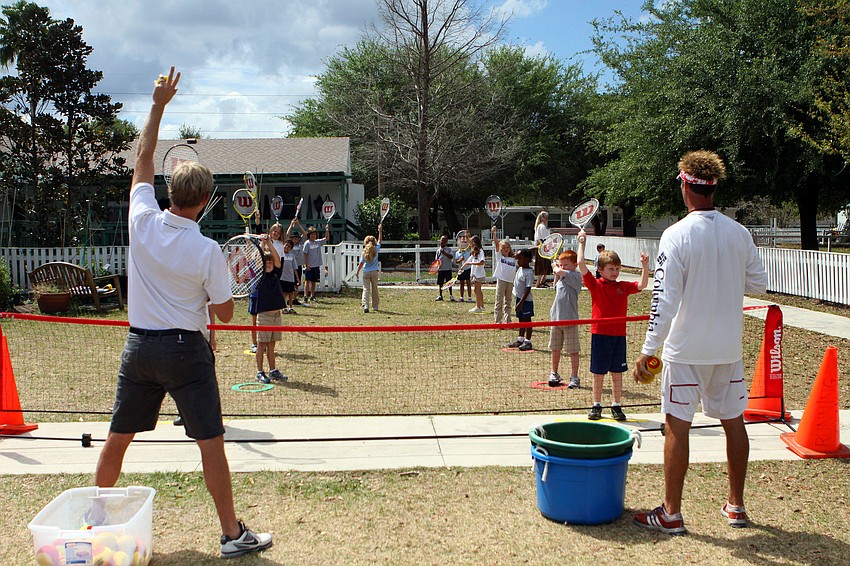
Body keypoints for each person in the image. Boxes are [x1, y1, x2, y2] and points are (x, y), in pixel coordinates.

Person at [93, 68, 272, 558]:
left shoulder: (141, 218)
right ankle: (232, 535)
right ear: (207, 200)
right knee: (210, 443)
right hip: (185, 350)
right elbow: (227, 315)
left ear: (169, 191)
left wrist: (157, 105)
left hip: (139, 347)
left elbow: (143, 156)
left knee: (118, 438)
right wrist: (225, 293)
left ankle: (93, 520)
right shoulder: (207, 250)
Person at [632, 150, 767, 536]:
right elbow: (758, 283)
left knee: (677, 426)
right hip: (727, 348)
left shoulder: (676, 235)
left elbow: (664, 299)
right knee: (733, 422)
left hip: (686, 350)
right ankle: (736, 505)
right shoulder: (738, 232)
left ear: (686, 187)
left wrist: (648, 349)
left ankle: (672, 513)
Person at [577, 230, 649, 421]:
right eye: (611, 269)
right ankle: (596, 405)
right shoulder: (595, 284)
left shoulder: (623, 286)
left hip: (619, 335)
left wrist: (645, 265)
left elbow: (642, 285)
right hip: (600, 335)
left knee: (617, 373)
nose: (615, 272)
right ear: (600, 270)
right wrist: (582, 243)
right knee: (598, 373)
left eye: (617, 269)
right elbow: (580, 264)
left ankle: (616, 405)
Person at [253, 235, 287, 384]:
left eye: (270, 261)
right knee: (262, 345)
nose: (269, 263)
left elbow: (277, 259)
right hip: (264, 315)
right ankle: (260, 372)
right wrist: (262, 243)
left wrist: (269, 244)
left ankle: (273, 371)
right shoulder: (260, 275)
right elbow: (256, 259)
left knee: (272, 345)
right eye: (266, 262)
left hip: (276, 314)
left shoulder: (275, 273)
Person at [548, 250, 583, 388]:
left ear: (575, 265)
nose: (563, 267)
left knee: (573, 350)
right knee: (555, 348)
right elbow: (558, 279)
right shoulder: (562, 276)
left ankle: (574, 377)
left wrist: (556, 267)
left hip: (570, 319)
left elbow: (561, 272)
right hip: (556, 319)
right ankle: (554, 373)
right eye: (561, 264)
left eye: (566, 264)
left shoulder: (575, 276)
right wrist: (557, 271)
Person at [506, 248, 535, 351]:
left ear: (527, 259)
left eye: (519, 259)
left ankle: (528, 342)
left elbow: (528, 290)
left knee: (527, 321)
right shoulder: (520, 268)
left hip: (525, 301)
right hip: (518, 298)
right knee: (521, 320)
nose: (517, 261)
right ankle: (520, 339)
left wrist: (521, 303)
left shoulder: (529, 273)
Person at [491, 226, 516, 323]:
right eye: (504, 248)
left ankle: (508, 320)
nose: (506, 249)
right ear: (501, 250)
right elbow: (496, 244)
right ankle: (498, 321)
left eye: (507, 247)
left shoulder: (513, 258)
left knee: (508, 302)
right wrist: (494, 233)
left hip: (510, 281)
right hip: (501, 280)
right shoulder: (500, 257)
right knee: (499, 301)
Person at [355, 224, 383, 313]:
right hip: (374, 272)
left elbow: (361, 263)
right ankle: (375, 306)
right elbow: (380, 241)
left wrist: (357, 271)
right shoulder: (376, 249)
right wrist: (380, 231)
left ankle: (366, 305)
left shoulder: (364, 251)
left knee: (366, 289)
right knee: (375, 288)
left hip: (366, 272)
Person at [302, 223, 329, 305]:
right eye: (312, 234)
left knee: (314, 281)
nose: (313, 236)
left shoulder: (318, 242)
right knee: (307, 281)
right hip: (309, 265)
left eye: (315, 234)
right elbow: (305, 254)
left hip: (316, 265)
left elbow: (327, 238)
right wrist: (306, 264)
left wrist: (327, 229)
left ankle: (312, 295)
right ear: (309, 235)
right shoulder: (307, 243)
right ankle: (305, 296)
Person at [285, 219, 304, 305]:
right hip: (290, 267)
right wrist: (291, 224)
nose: (296, 240)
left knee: (297, 283)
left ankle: (294, 299)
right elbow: (287, 234)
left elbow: (305, 234)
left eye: (297, 238)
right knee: (290, 284)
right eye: (294, 238)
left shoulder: (300, 244)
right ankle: (288, 299)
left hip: (298, 266)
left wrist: (298, 224)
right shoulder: (290, 245)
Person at [466, 234, 486, 313]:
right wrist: (462, 267)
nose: (471, 243)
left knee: (477, 290)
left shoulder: (480, 251)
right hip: (475, 274)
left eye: (473, 242)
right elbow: (468, 261)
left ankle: (478, 307)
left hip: (479, 274)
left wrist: (472, 264)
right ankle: (482, 306)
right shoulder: (474, 251)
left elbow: (482, 262)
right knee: (477, 290)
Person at [533, 211, 553, 288]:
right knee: (541, 266)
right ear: (542, 218)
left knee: (546, 265)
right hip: (542, 248)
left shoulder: (544, 227)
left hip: (545, 248)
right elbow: (540, 239)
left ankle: (543, 281)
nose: (547, 219)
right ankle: (538, 282)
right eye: (546, 217)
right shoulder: (541, 227)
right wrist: (545, 246)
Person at [434, 235, 455, 301]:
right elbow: (436, 260)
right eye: (441, 240)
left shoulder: (449, 249)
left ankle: (451, 295)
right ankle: (440, 295)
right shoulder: (438, 251)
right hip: (441, 269)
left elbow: (451, 257)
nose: (442, 242)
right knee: (440, 283)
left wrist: (444, 253)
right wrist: (436, 267)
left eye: (444, 241)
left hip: (448, 268)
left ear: (446, 242)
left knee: (449, 282)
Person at [280, 238, 298, 314]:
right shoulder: (280, 254)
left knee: (290, 293)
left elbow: (294, 268)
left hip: (290, 277)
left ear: (290, 248)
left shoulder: (292, 256)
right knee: (284, 293)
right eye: (286, 245)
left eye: (289, 246)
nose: (287, 247)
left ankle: (290, 307)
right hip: (282, 277)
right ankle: (284, 307)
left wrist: (297, 278)